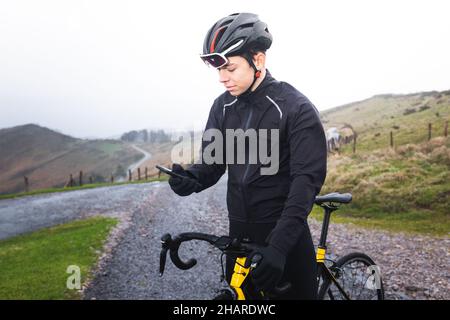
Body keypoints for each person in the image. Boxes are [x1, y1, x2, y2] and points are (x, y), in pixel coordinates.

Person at [168, 12, 327, 299]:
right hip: (239, 236)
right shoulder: (223, 106)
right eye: (218, 70)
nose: (221, 78)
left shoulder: (295, 107)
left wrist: (279, 247)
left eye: (230, 68)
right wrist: (190, 178)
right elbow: (213, 162)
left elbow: (305, 183)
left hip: (284, 239)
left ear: (259, 60)